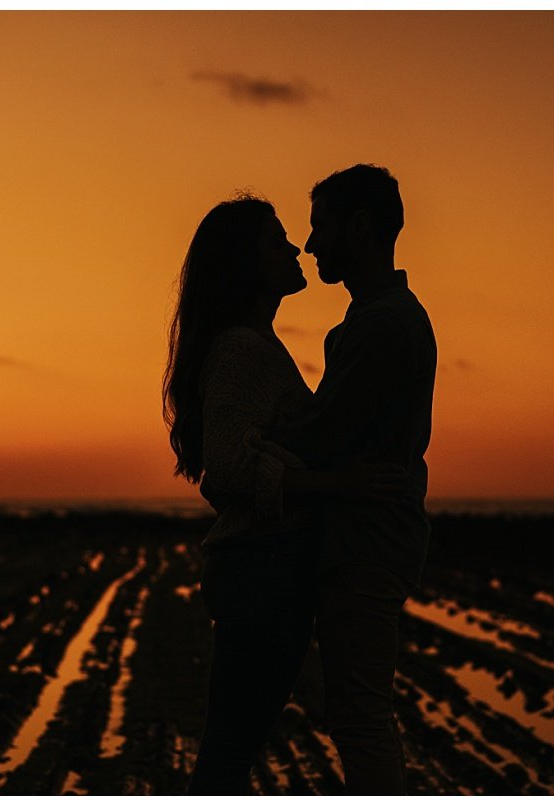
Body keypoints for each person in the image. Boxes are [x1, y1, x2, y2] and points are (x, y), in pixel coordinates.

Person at [162, 195, 403, 794]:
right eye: (277, 240)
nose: (296, 247)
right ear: (245, 263)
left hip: (265, 574)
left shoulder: (257, 345)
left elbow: (241, 460)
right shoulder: (244, 349)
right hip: (260, 576)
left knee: (229, 753)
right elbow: (228, 467)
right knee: (226, 758)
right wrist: (336, 485)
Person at [272, 164, 436, 795]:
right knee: (357, 710)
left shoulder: (383, 323)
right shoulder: (376, 318)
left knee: (360, 715)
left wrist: (245, 443)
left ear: (359, 228)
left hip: (368, 540)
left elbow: (319, 432)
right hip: (363, 537)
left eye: (320, 227)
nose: (310, 245)